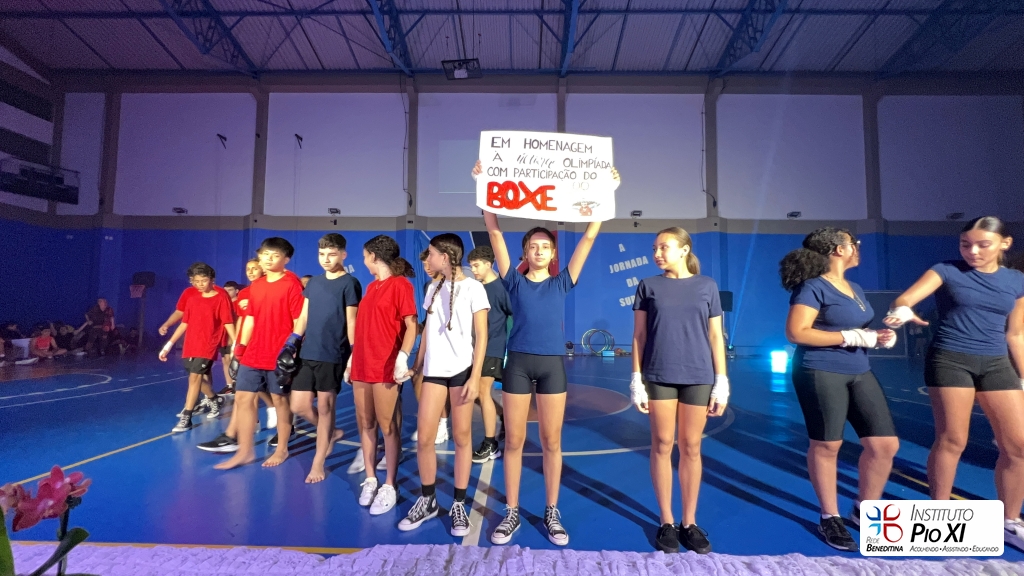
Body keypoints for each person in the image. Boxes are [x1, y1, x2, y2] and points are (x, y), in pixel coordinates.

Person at [474, 160, 619, 546]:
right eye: (533, 246)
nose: (538, 250)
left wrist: (606, 195)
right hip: (518, 366)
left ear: (553, 253)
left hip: (552, 367)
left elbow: (588, 238)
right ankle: (512, 511)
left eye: (545, 246)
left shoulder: (562, 282)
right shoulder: (513, 281)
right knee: (514, 441)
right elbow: (494, 231)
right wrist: (484, 186)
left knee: (552, 442)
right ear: (526, 251)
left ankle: (552, 510)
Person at [884, 216, 1024, 550]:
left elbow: (1016, 334)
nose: (972, 251)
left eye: (983, 245)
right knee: (953, 440)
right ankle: (940, 514)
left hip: (996, 364)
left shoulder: (1017, 280)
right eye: (965, 244)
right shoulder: (945, 270)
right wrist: (902, 312)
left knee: (1018, 446)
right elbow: (903, 300)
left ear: (1004, 244)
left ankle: (1010, 521)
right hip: (950, 360)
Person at [779, 227, 900, 552]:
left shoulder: (853, 287)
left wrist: (878, 336)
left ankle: (864, 509)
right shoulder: (812, 287)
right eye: (853, 243)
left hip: (859, 370)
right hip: (820, 370)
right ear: (838, 249)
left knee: (884, 445)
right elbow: (797, 332)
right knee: (827, 446)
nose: (858, 247)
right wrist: (852, 336)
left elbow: (855, 329)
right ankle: (829, 517)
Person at [628, 227, 729, 554]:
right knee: (662, 444)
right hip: (659, 374)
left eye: (664, 247)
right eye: (654, 248)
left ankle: (689, 522)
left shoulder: (707, 286)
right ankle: (667, 522)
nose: (657, 253)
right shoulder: (648, 286)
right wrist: (636, 378)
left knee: (691, 446)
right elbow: (639, 336)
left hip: (698, 376)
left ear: (685, 249)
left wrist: (722, 380)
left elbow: (715, 336)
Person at [399, 233, 489, 536]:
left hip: (462, 372)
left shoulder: (474, 288)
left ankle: (459, 504)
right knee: (425, 438)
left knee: (462, 438)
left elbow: (482, 336)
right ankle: (428, 500)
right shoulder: (433, 288)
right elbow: (427, 331)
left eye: (431, 254)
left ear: (445, 256)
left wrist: (475, 377)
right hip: (434, 372)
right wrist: (416, 365)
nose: (427, 259)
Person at [215, 238, 304, 470]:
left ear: (286, 259)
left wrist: (292, 348)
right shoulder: (256, 286)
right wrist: (240, 349)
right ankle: (245, 451)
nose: (268, 259)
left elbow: (299, 320)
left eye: (275, 255)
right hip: (253, 352)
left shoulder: (292, 284)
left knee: (280, 401)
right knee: (243, 398)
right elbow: (250, 319)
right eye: (265, 254)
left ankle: (282, 448)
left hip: (279, 353)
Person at [349, 235, 417, 515]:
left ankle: (389, 484)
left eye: (365, 256)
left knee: (388, 426)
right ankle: (370, 479)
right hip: (361, 365)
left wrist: (403, 356)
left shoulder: (401, 285)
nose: (364, 261)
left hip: (385, 365)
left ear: (374, 256)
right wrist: (353, 356)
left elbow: (411, 325)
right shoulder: (371, 286)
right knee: (366, 424)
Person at [290, 233, 362, 484]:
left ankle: (318, 462)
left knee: (325, 407)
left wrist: (353, 353)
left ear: (343, 255)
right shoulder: (314, 283)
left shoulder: (350, 283)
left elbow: (351, 320)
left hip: (333, 353)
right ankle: (330, 432)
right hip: (308, 352)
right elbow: (303, 316)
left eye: (332, 254)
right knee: (298, 405)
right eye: (322, 254)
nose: (326, 259)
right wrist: (292, 341)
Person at [197, 259, 278, 453]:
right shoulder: (244, 293)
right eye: (247, 269)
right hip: (250, 348)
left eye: (254, 268)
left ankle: (284, 424)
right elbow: (243, 320)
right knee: (243, 390)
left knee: (280, 395)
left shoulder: (276, 288)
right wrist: (237, 344)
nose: (250, 272)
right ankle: (239, 432)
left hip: (271, 346)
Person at [159, 262, 236, 433]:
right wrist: (168, 345)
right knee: (195, 378)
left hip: (208, 344)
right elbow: (184, 322)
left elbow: (227, 321)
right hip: (190, 344)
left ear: (212, 279)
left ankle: (187, 417)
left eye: (204, 280)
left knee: (195, 378)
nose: (200, 284)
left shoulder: (220, 297)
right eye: (196, 281)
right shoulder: (192, 298)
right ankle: (214, 399)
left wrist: (236, 342)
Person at [467, 245, 510, 463]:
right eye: (471, 266)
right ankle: (502, 417)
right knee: (475, 393)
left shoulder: (501, 289)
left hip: (492, 348)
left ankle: (490, 444)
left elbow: (516, 314)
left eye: (476, 265)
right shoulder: (476, 288)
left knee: (483, 392)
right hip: (474, 349)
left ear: (488, 264)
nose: (473, 270)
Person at [409, 248, 450, 445]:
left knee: (441, 385)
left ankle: (442, 424)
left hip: (449, 346)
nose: (427, 267)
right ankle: (432, 421)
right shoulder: (429, 286)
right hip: (431, 344)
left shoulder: (451, 285)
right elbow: (430, 318)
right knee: (417, 379)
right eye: (424, 264)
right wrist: (418, 327)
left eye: (429, 262)